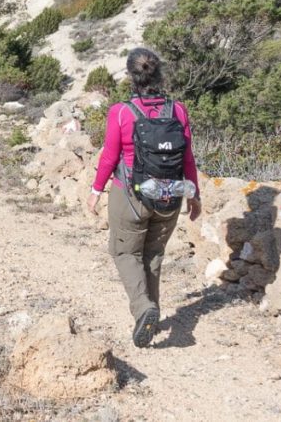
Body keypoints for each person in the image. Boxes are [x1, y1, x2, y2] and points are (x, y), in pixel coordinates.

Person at [86, 47, 201, 348]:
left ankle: (143, 309)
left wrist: (96, 190)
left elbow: (110, 155)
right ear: (159, 74)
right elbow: (187, 157)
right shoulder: (178, 110)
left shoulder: (121, 112)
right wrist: (194, 194)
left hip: (131, 195)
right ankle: (153, 312)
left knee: (125, 253)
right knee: (153, 254)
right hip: (171, 196)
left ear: (131, 77)